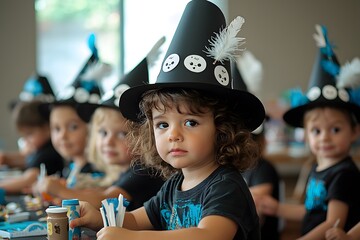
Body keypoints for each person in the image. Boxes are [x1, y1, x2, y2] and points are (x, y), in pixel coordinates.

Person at [70, 1, 266, 239]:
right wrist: (98, 218)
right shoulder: (174, 186)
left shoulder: (225, 186)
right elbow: (134, 219)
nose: (173, 134)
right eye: (162, 124)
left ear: (222, 128)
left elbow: (209, 235)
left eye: (190, 122)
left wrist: (133, 238)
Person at [258, 25, 360, 240]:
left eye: (336, 129)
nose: (324, 137)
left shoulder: (343, 174)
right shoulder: (318, 167)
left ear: (354, 132)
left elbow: (333, 222)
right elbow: (310, 211)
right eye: (316, 130)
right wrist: (278, 208)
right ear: (306, 134)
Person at [42, 38, 166, 209]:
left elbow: (107, 200)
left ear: (145, 138)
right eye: (103, 133)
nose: (108, 141)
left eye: (122, 134)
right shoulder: (121, 171)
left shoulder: (144, 172)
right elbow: (102, 191)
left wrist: (60, 191)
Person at [33, 34, 110, 202]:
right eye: (56, 129)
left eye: (73, 127)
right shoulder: (72, 166)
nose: (62, 136)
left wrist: (59, 192)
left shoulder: (97, 171)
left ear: (93, 129)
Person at [0, 100, 64, 194]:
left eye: (29, 134)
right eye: (23, 135)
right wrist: (6, 158)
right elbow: (26, 159)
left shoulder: (49, 153)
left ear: (47, 128)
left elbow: (28, 180)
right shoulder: (40, 149)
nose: (26, 140)